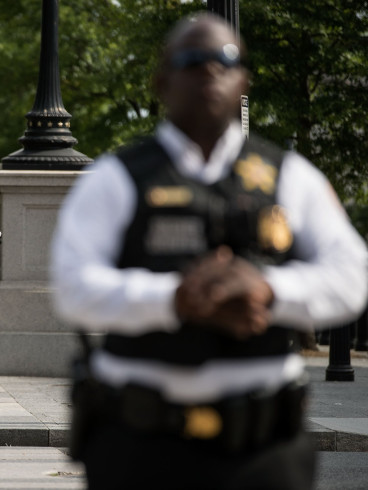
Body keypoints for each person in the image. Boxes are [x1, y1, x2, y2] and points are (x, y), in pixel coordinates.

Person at [51, 14, 368, 490]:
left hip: (264, 453)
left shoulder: (290, 176)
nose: (209, 72)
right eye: (192, 61)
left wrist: (266, 289)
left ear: (244, 80)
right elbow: (72, 285)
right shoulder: (116, 178)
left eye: (226, 61)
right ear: (162, 81)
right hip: (140, 450)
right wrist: (177, 298)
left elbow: (351, 276)